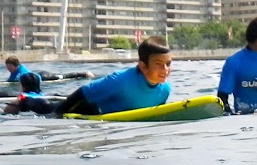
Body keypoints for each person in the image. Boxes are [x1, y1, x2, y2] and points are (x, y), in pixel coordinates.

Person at [16, 36, 172, 116]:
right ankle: (26, 101)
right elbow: (83, 92)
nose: (165, 69)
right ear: (143, 66)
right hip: (86, 109)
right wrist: (56, 116)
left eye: (168, 64)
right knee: (49, 108)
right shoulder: (122, 80)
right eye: (159, 64)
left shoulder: (165, 89)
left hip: (113, 114)